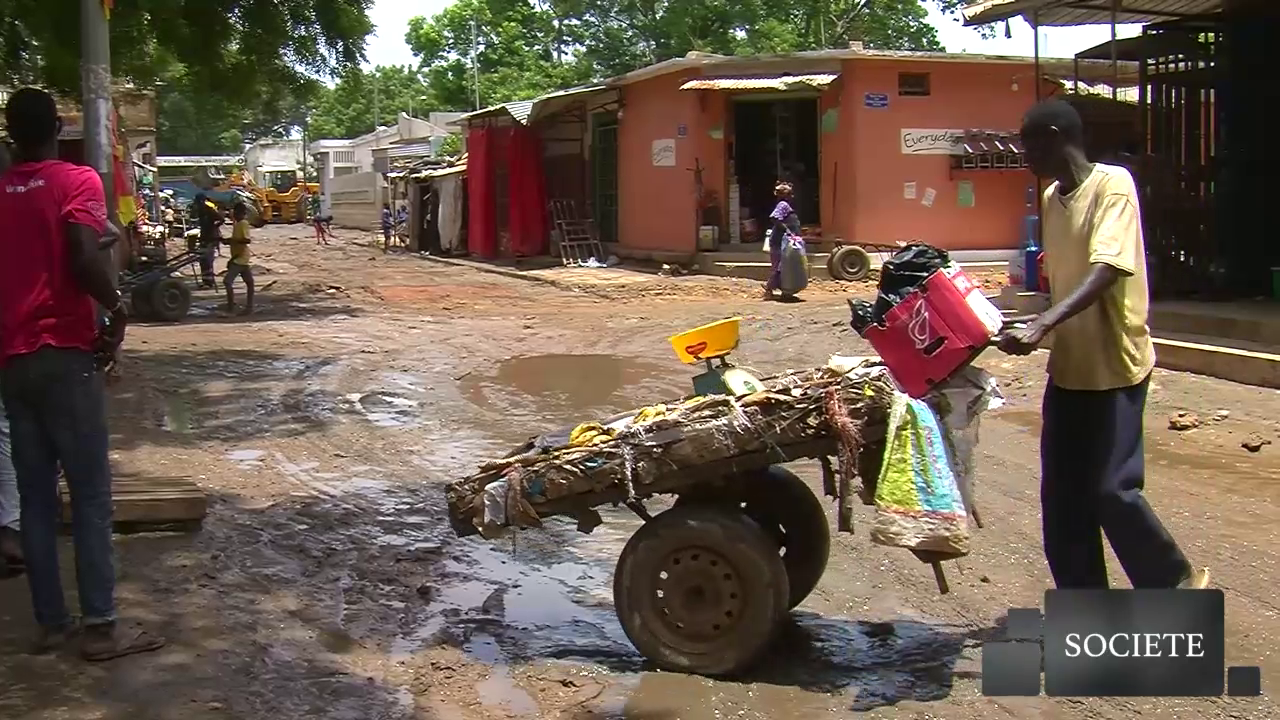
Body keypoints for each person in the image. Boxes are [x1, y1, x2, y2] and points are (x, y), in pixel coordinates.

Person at [998, 98, 1208, 591]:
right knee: (1063, 500)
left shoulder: (1113, 184)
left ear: (1053, 136)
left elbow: (1107, 268)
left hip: (1117, 364)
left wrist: (1043, 323)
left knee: (1113, 490)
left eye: (1027, 144)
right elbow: (1062, 278)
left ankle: (1175, 583)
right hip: (1070, 368)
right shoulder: (1052, 198)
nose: (1023, 156)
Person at [0, 88, 166, 658]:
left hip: (12, 362)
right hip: (66, 353)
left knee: (36, 497)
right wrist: (116, 306)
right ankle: (101, 626)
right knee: (91, 496)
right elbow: (79, 249)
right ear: (58, 129)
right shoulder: (77, 181)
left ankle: (51, 624)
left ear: (10, 131)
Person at [763, 181, 801, 300]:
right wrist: (787, 230)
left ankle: (786, 292)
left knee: (786, 267)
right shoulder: (783, 205)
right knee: (779, 267)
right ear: (784, 196)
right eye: (790, 194)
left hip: (785, 242)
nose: (792, 197)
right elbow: (774, 218)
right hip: (779, 242)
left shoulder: (786, 205)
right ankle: (769, 290)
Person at [223, 202, 255, 315]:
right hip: (240, 257)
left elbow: (246, 240)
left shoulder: (243, 224)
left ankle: (231, 308)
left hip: (240, 258)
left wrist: (232, 241)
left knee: (227, 281)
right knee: (250, 283)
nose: (234, 214)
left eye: (236, 212)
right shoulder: (238, 224)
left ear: (241, 213)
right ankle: (249, 307)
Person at [192, 192, 221, 288]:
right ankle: (205, 281)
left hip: (211, 238)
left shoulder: (209, 210)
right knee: (202, 260)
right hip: (204, 237)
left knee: (207, 260)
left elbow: (221, 219)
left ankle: (209, 282)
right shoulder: (200, 211)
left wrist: (213, 227)